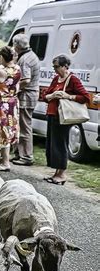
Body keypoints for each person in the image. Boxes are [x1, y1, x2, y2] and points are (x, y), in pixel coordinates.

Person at [42, 54, 90, 184]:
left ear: (65, 66)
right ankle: (56, 172)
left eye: (57, 66)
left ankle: (62, 174)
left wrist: (68, 96)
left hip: (63, 116)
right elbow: (45, 95)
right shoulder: (56, 79)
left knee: (60, 144)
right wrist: (53, 95)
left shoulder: (73, 79)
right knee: (52, 144)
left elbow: (85, 97)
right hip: (52, 114)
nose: (55, 69)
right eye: (54, 67)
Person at [12, 33, 40, 166]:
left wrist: (14, 87)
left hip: (26, 96)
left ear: (17, 46)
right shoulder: (31, 55)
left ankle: (27, 156)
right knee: (23, 125)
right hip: (30, 95)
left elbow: (26, 80)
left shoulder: (25, 59)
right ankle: (20, 153)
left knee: (24, 127)